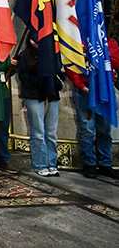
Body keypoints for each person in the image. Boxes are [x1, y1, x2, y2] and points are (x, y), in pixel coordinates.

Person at [66, 44, 119, 180]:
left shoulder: (108, 41)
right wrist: (82, 87)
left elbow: (115, 61)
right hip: (85, 90)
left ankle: (105, 164)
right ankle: (88, 163)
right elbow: (71, 66)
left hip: (105, 88)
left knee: (104, 129)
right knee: (87, 129)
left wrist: (99, 57)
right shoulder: (77, 42)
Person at [16, 38, 61, 177]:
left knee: (51, 132)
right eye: (33, 38)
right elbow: (23, 76)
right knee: (38, 132)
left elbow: (60, 73)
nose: (36, 41)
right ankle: (40, 164)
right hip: (34, 95)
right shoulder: (25, 55)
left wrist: (53, 83)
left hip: (51, 95)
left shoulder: (52, 53)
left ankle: (52, 163)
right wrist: (40, 82)